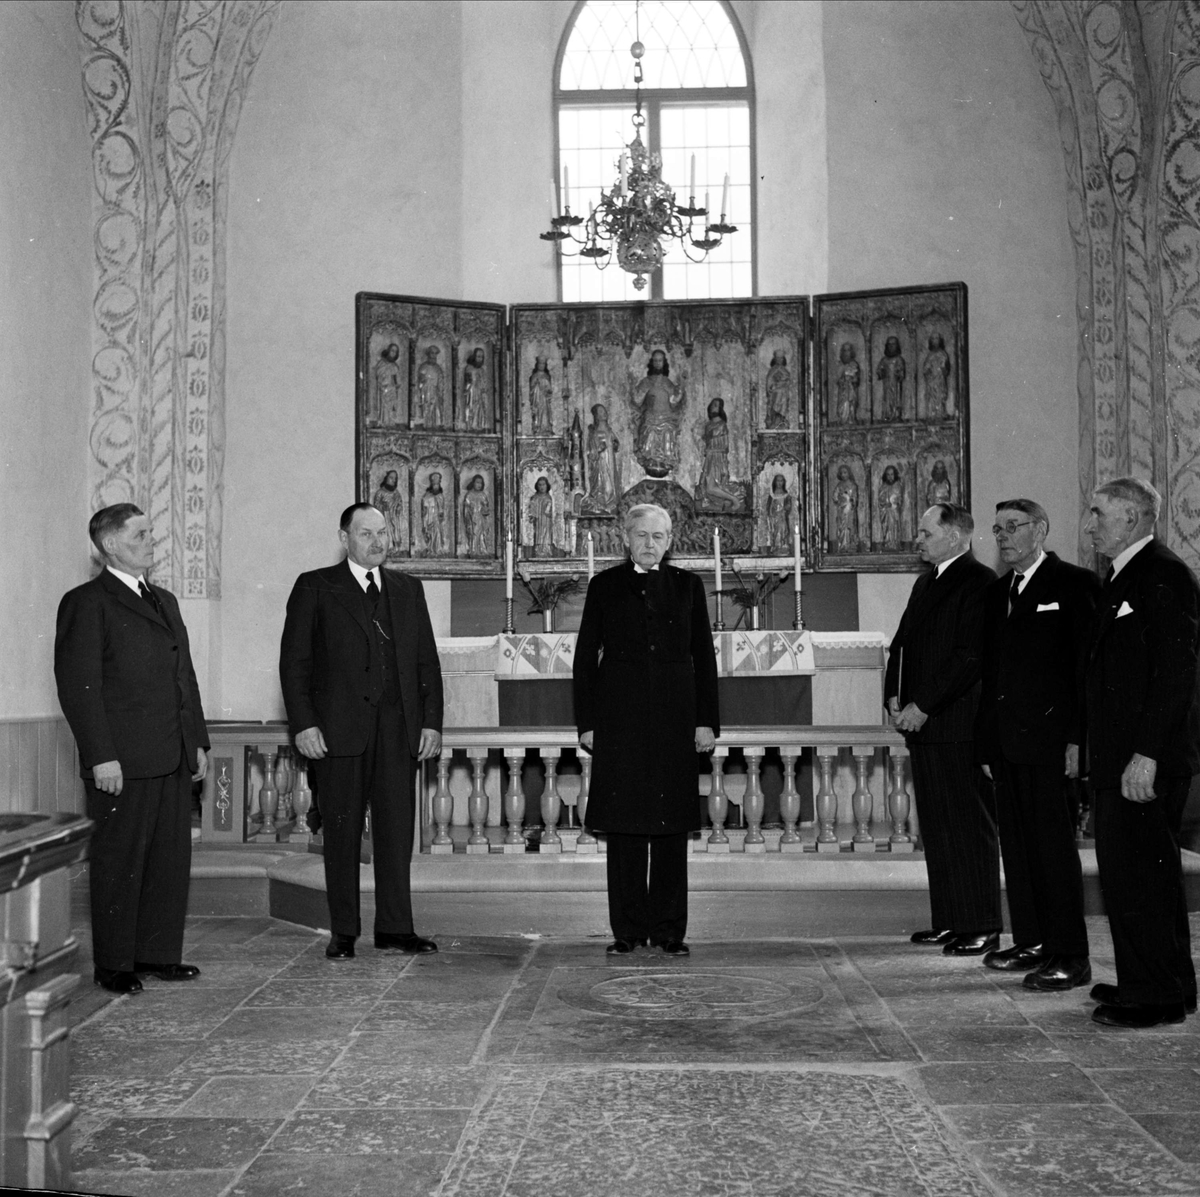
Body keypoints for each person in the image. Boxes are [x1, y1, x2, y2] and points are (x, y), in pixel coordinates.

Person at [55, 504, 209, 994]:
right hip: (122, 760)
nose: (152, 540)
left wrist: (198, 741)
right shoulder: (87, 601)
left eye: (150, 532)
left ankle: (158, 954)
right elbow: (78, 686)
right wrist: (101, 755)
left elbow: (184, 678)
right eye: (140, 534)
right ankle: (115, 963)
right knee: (119, 861)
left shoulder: (165, 600)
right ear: (110, 545)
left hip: (172, 753)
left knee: (168, 860)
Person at [279, 503, 444, 960]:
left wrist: (431, 722)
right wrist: (304, 724)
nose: (378, 541)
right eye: (367, 533)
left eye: (384, 533)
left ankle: (396, 928)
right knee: (342, 833)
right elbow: (294, 665)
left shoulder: (407, 589)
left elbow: (425, 662)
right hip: (337, 734)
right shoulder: (316, 586)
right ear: (344, 537)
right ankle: (344, 932)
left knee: (396, 834)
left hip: (398, 732)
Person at [574, 503, 719, 957]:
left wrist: (706, 721)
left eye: (658, 536)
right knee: (626, 828)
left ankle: (670, 931)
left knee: (673, 828)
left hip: (677, 719)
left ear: (670, 540)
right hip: (620, 720)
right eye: (641, 535)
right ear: (625, 537)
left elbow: (704, 658)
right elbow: (584, 658)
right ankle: (629, 930)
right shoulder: (604, 586)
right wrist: (588, 723)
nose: (649, 544)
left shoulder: (688, 586)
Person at [1082, 477, 1200, 1028]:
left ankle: (1154, 997)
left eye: (1099, 513)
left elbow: (1177, 675)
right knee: (1138, 879)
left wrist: (1147, 754)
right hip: (1122, 756)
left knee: (1140, 881)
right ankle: (1160, 982)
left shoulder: (1162, 572)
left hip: (1143, 761)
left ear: (1131, 517)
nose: (1090, 524)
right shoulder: (1126, 574)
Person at [975, 499, 1100, 990]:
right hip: (1007, 744)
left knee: (1053, 850)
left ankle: (1070, 953)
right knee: (1019, 848)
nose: (1003, 537)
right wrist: (986, 744)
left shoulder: (1073, 584)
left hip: (1051, 743)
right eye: (998, 528)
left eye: (1013, 527)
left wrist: (1078, 741)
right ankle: (1031, 940)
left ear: (1040, 530)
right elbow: (991, 674)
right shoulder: (997, 592)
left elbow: (1084, 671)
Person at [885, 503, 1000, 955]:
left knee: (969, 827)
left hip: (955, 724)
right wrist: (894, 693)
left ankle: (982, 923)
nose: (919, 539)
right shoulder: (926, 581)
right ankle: (951, 919)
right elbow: (902, 643)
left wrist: (924, 704)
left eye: (926, 532)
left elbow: (969, 656)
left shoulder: (978, 582)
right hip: (926, 725)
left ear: (955, 536)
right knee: (938, 827)